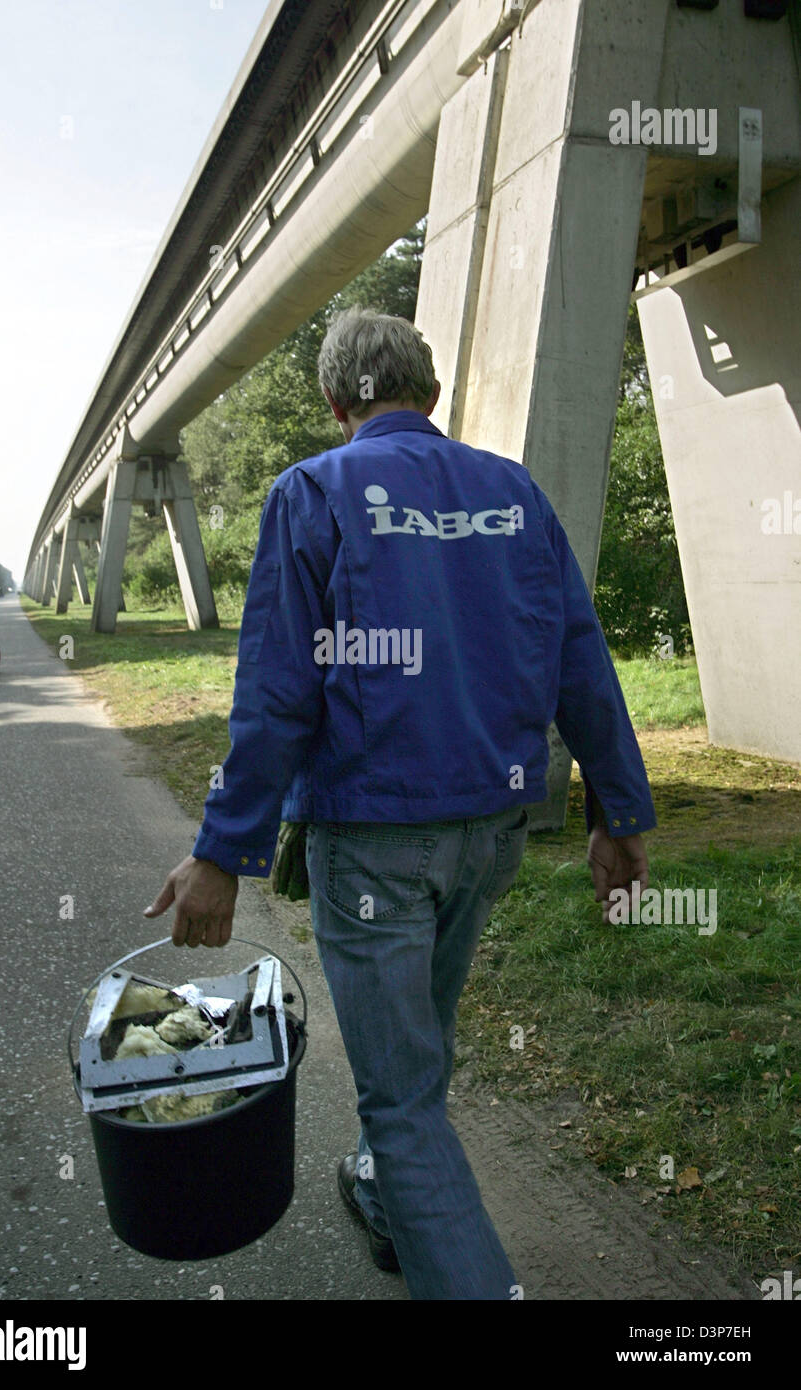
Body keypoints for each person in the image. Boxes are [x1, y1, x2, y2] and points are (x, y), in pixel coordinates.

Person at [145, 307, 656, 1300]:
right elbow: (579, 660)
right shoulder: (512, 492)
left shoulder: (313, 491)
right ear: (427, 394)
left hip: (376, 846)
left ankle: (434, 1226)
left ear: (337, 404)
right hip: (490, 836)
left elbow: (278, 693)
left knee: (401, 1102)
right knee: (420, 1029)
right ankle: (390, 1193)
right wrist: (617, 815)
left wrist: (222, 851)